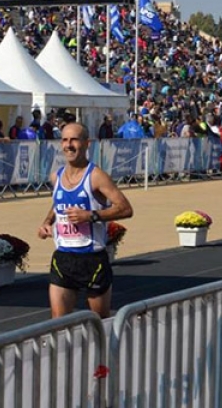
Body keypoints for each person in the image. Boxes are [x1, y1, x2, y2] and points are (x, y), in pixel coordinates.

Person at [37, 123, 133, 319]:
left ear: (87, 143)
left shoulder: (96, 176)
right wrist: (47, 222)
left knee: (99, 322)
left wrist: (91, 216)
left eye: (74, 140)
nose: (69, 145)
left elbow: (125, 208)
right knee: (58, 324)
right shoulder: (56, 176)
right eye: (65, 140)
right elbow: (58, 203)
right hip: (63, 258)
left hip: (92, 259)